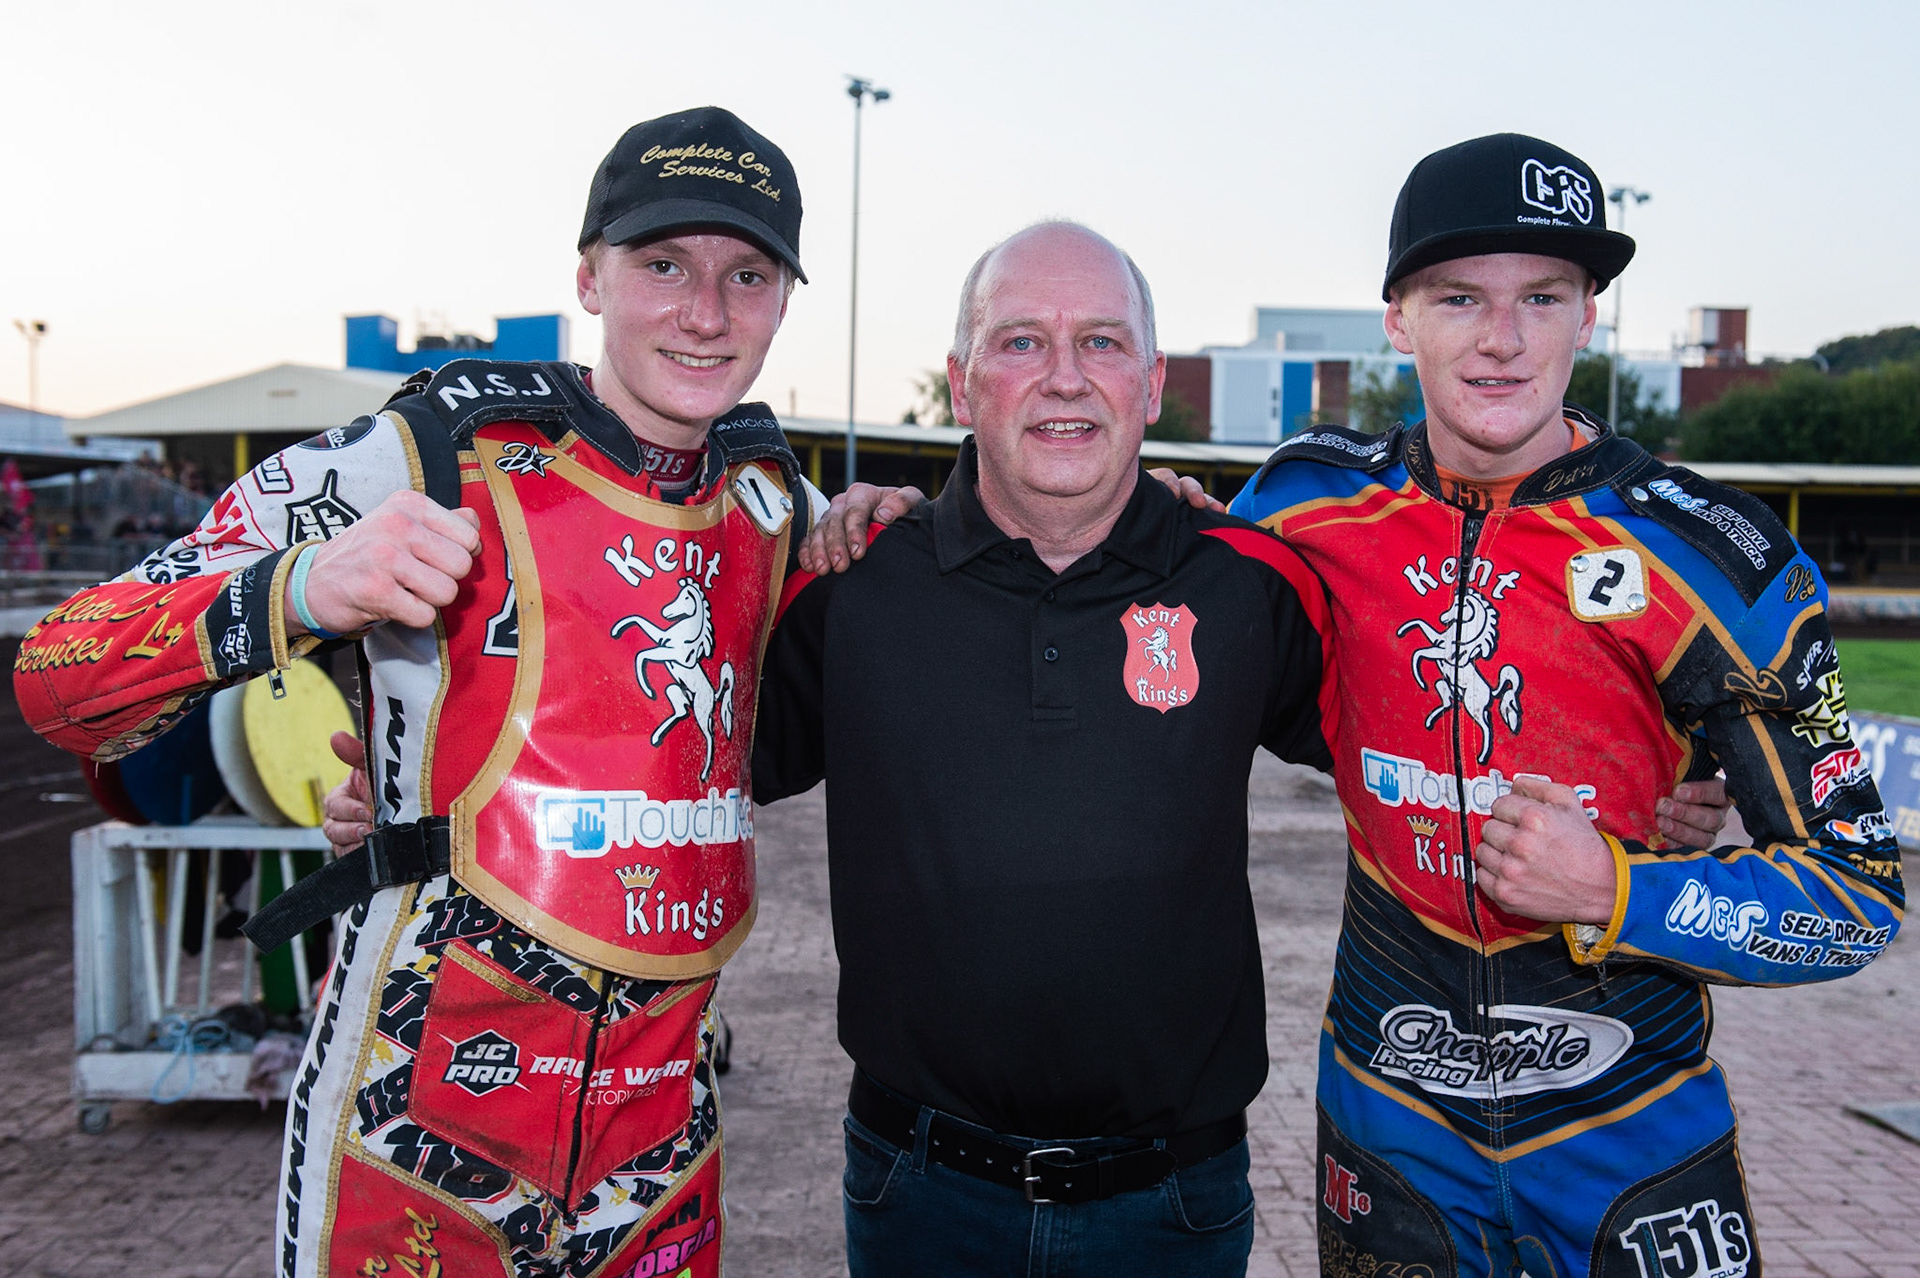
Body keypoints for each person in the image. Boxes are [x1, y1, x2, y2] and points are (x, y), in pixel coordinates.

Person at [16, 106, 819, 1278]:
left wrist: (864, 528)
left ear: (784, 299)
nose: (705, 312)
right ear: (589, 280)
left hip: (661, 1166)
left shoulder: (770, 498)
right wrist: (300, 589)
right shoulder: (427, 452)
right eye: (663, 265)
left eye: (747, 274)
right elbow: (59, 676)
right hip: (417, 1149)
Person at [1221, 134, 1902, 1278]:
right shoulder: (1302, 499)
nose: (1503, 337)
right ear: (1398, 317)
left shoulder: (1720, 559)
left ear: (1590, 314)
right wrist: (886, 518)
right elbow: (1147, 603)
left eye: (1543, 296)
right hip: (1392, 1122)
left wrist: (1619, 889)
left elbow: (1861, 895)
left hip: (1632, 1138)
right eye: (1459, 297)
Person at [751, 219, 1340, 1276]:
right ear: (961, 380)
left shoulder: (1250, 584)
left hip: (1176, 1204)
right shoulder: (852, 586)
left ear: (1152, 383)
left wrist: (1660, 792)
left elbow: (1435, 757)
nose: (1065, 378)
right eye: (1022, 342)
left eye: (1103, 344)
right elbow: (668, 764)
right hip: (919, 1193)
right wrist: (430, 775)